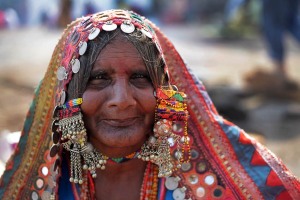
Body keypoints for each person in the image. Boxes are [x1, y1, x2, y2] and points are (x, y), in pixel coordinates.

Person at [0, 9, 299, 199]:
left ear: (166, 92)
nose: (122, 100)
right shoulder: (46, 182)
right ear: (66, 96)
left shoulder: (229, 177)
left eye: (141, 78)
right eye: (99, 78)